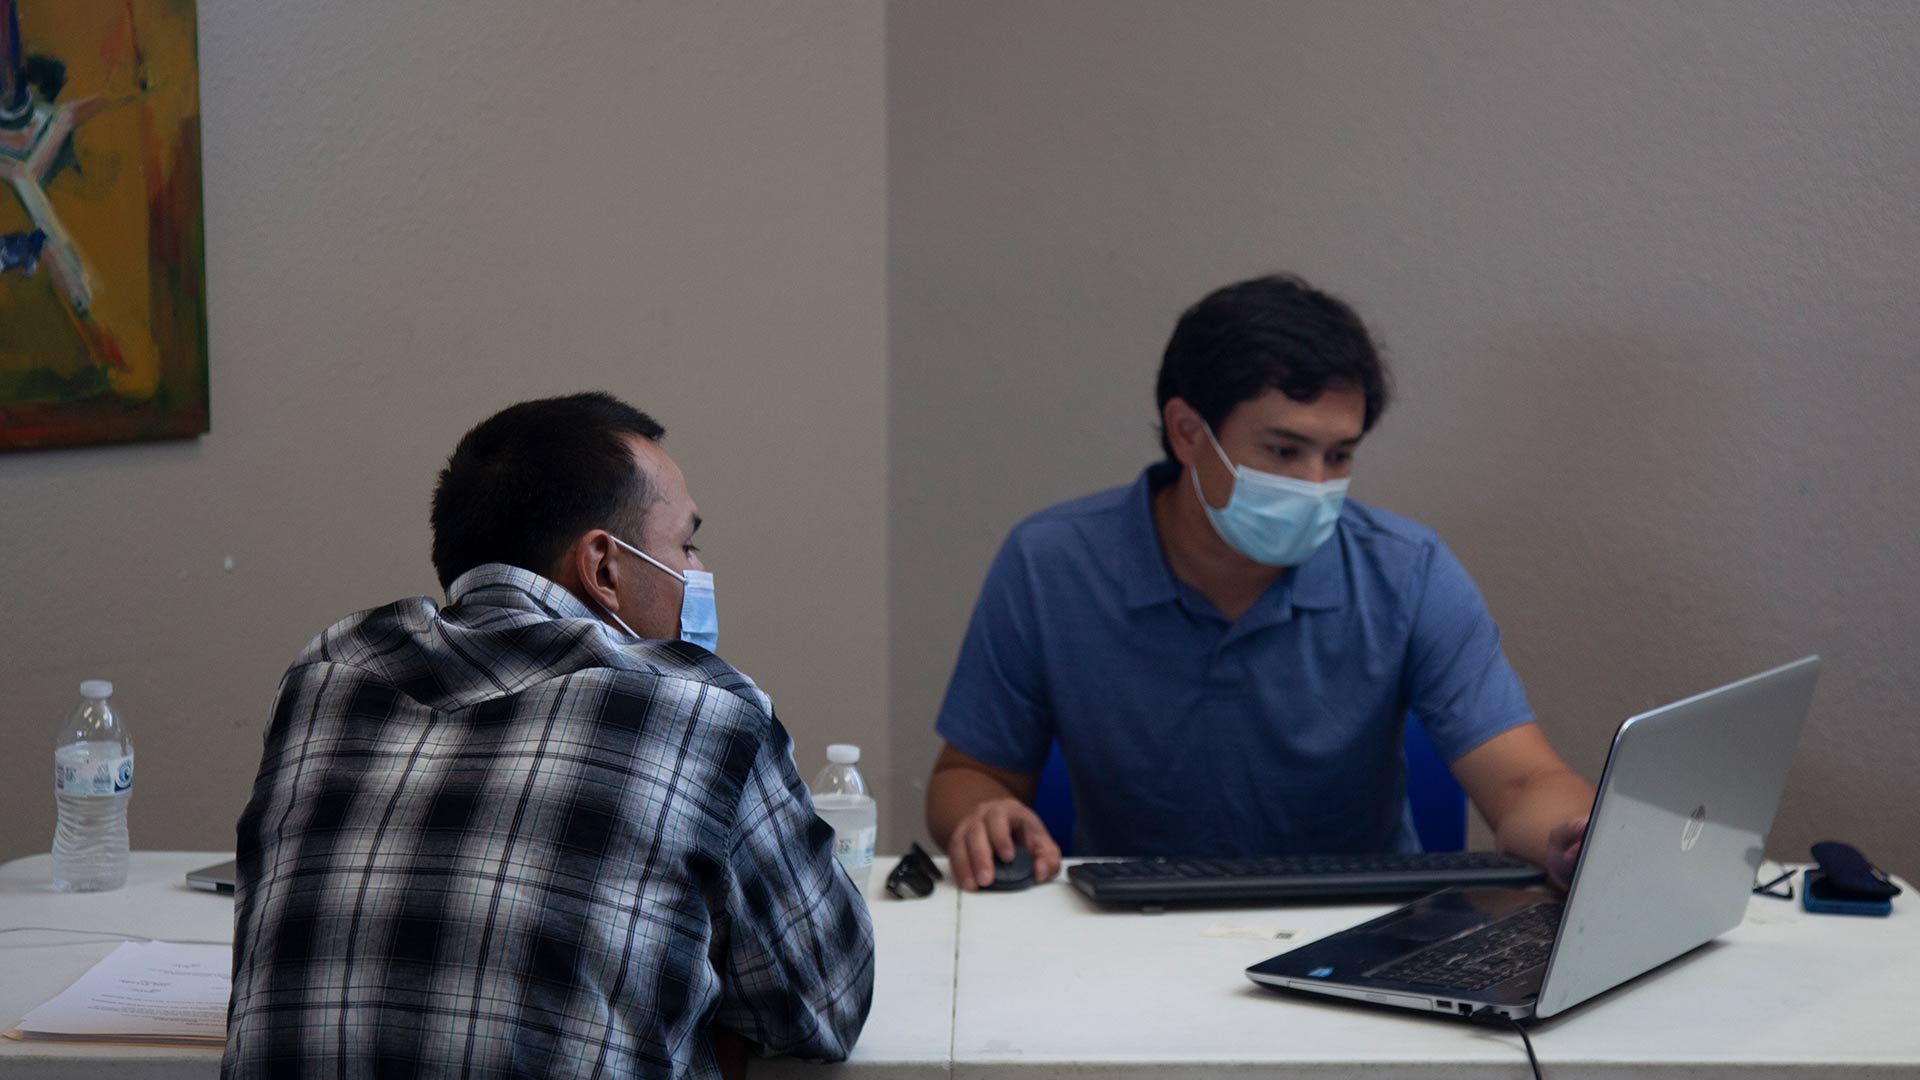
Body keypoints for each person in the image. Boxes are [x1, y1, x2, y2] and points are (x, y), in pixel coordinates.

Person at [225, 392, 873, 1079]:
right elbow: (829, 1002)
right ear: (604, 568)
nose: (698, 570)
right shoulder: (701, 712)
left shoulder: (326, 672)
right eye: (685, 544)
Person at [926, 274, 1595, 892]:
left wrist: (1578, 837)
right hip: (1131, 932)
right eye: (1283, 451)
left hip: (1358, 932)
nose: (1315, 487)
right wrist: (984, 814)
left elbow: (1525, 783)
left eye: (1339, 456)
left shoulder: (1408, 571)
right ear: (1188, 433)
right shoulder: (1052, 564)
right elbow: (967, 775)